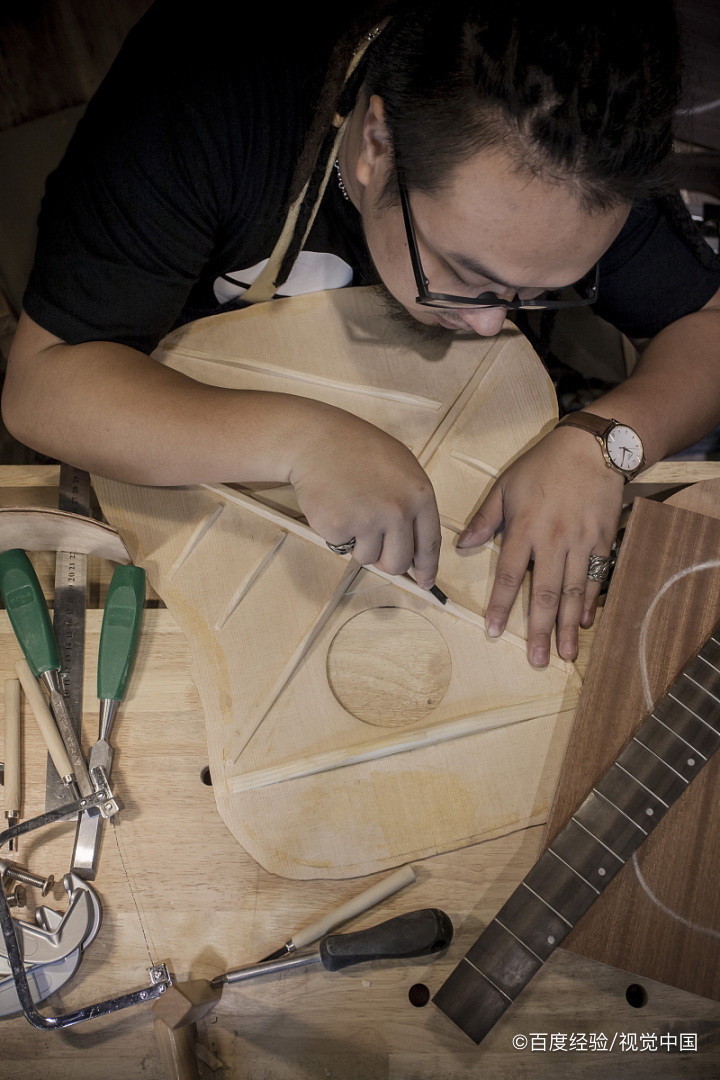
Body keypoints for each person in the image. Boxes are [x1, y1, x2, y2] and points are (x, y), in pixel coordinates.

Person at [4, 0, 720, 669]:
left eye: (539, 292)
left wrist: (607, 442)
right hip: (179, 438)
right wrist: (302, 441)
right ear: (377, 142)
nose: (489, 323)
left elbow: (709, 325)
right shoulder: (210, 98)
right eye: (463, 273)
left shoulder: (583, 156)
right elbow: (46, 382)